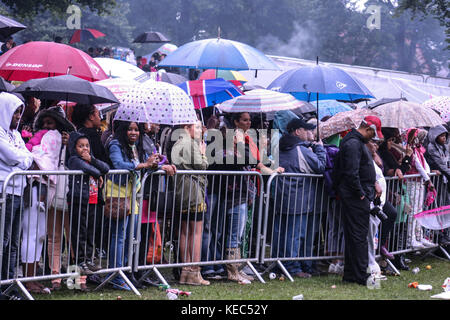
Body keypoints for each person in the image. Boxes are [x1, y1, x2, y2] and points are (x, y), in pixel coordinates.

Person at [20, 106, 73, 294]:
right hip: (34, 185)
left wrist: (67, 144)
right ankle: (28, 278)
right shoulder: (42, 137)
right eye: (44, 123)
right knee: (31, 233)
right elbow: (37, 155)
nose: (46, 126)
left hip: (47, 186)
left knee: (41, 234)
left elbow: (56, 160)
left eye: (50, 123)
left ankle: (34, 278)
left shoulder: (60, 138)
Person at [107, 120, 159, 290]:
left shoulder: (138, 147)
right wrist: (143, 164)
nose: (133, 133)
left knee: (132, 238)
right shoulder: (115, 144)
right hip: (118, 195)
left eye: (136, 129)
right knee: (119, 236)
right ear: (122, 130)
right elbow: (119, 165)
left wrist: (158, 165)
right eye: (129, 129)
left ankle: (127, 273)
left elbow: (145, 167)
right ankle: (115, 274)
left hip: (133, 196)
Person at [272, 118, 327, 278]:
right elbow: (320, 167)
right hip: (299, 199)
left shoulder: (280, 146)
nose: (310, 133)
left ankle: (281, 264)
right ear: (297, 131)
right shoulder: (300, 150)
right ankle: (292, 268)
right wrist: (320, 150)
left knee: (282, 233)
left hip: (284, 197)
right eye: (307, 130)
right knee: (294, 235)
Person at [333, 116, 383, 285]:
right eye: (373, 134)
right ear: (368, 129)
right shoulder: (354, 144)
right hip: (355, 197)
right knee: (358, 237)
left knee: (355, 236)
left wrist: (373, 182)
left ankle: (352, 274)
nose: (373, 139)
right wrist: (361, 193)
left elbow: (360, 169)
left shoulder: (354, 142)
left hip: (356, 194)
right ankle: (360, 275)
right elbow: (351, 172)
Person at [66, 132, 110, 291]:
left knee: (90, 234)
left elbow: (105, 168)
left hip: (92, 201)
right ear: (74, 148)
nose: (85, 149)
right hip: (79, 201)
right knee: (79, 236)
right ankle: (76, 281)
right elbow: (96, 171)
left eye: (87, 146)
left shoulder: (90, 159)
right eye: (80, 146)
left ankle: (88, 263)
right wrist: (95, 169)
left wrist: (92, 161)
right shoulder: (73, 160)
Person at [0, 93, 34, 292]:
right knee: (3, 241)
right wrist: (21, 160)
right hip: (5, 191)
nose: (18, 117)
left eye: (20, 113)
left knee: (14, 242)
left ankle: (9, 284)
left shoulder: (17, 135)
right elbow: (13, 157)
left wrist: (20, 160)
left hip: (19, 191)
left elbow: (27, 159)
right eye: (15, 112)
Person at [171, 120, 210, 286]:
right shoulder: (190, 143)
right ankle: (194, 271)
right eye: (197, 127)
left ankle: (185, 272)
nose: (200, 130)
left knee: (185, 232)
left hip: (182, 191)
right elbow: (202, 165)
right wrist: (203, 152)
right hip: (194, 191)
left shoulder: (177, 142)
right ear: (187, 127)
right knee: (196, 232)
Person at [404, 128, 435, 249]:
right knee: (413, 212)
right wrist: (428, 179)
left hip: (420, 183)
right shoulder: (410, 150)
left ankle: (418, 235)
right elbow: (417, 165)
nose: (421, 140)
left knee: (419, 210)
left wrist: (428, 175)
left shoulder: (418, 150)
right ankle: (410, 238)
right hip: (413, 183)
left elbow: (424, 165)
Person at [425, 125, 450, 246]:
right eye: (441, 136)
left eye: (445, 135)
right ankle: (438, 235)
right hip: (436, 182)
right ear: (435, 136)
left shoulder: (444, 147)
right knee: (438, 207)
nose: (444, 138)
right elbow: (440, 164)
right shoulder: (431, 147)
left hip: (444, 181)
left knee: (445, 206)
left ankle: (445, 234)